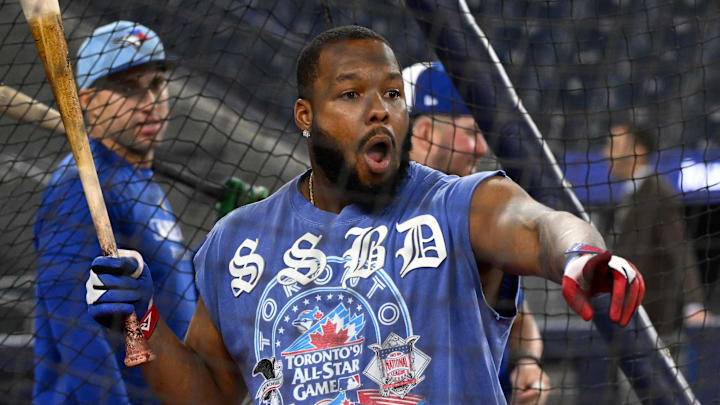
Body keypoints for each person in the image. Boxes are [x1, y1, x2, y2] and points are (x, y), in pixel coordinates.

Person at [85, 25, 644, 405]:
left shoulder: (459, 205)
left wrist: (580, 254)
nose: (380, 108)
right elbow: (212, 394)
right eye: (351, 94)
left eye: (393, 94)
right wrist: (144, 326)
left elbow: (539, 224)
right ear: (306, 115)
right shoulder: (237, 241)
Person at [33, 21, 197, 404]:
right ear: (86, 101)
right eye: (127, 88)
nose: (150, 102)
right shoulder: (81, 187)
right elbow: (73, 328)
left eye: (156, 84)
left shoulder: (140, 181)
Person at [403, 61, 549, 405]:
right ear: (424, 133)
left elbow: (520, 317)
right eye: (471, 132)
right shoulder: (368, 217)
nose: (482, 148)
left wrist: (529, 364)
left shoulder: (476, 214)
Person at [602, 124, 713, 335]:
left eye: (614, 145)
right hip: (630, 315)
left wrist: (694, 303)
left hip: (654, 320)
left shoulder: (656, 192)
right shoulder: (630, 193)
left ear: (639, 150)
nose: (606, 153)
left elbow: (679, 250)